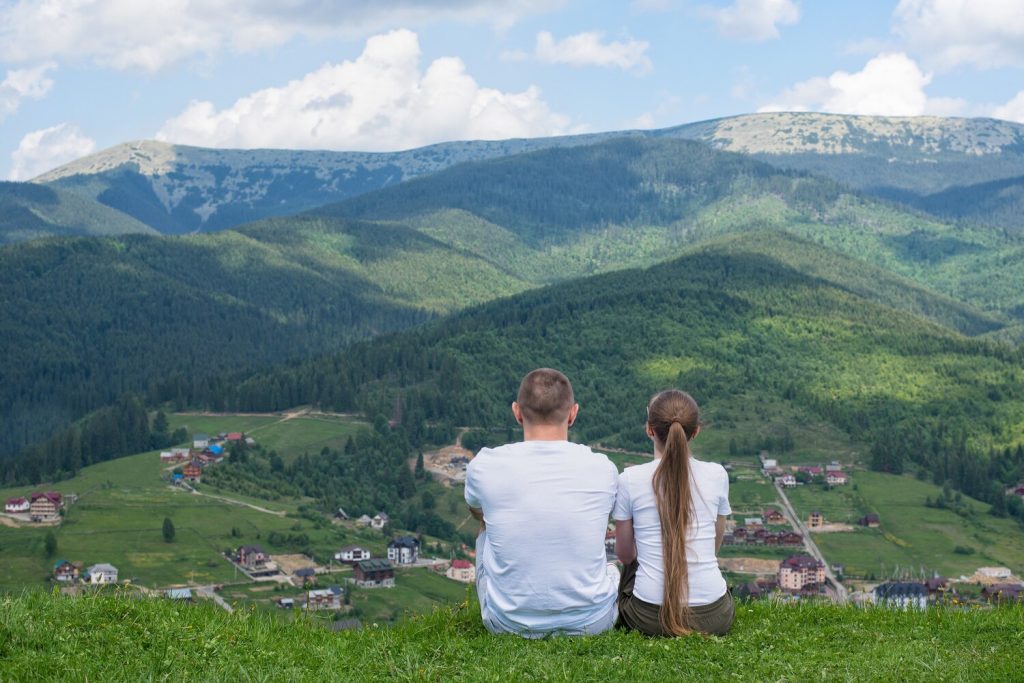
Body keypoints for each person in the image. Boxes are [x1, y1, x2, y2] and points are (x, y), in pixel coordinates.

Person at [464, 368, 619, 637]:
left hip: (508, 625)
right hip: (593, 623)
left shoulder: (485, 465)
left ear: (517, 412)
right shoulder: (603, 468)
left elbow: (476, 511)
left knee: (487, 524)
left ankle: (519, 603)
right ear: (573, 413)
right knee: (611, 565)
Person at [613, 389, 734, 636]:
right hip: (714, 617)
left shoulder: (630, 480)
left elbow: (625, 556)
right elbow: (714, 546)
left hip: (648, 618)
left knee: (627, 566)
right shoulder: (717, 474)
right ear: (695, 431)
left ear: (649, 430)